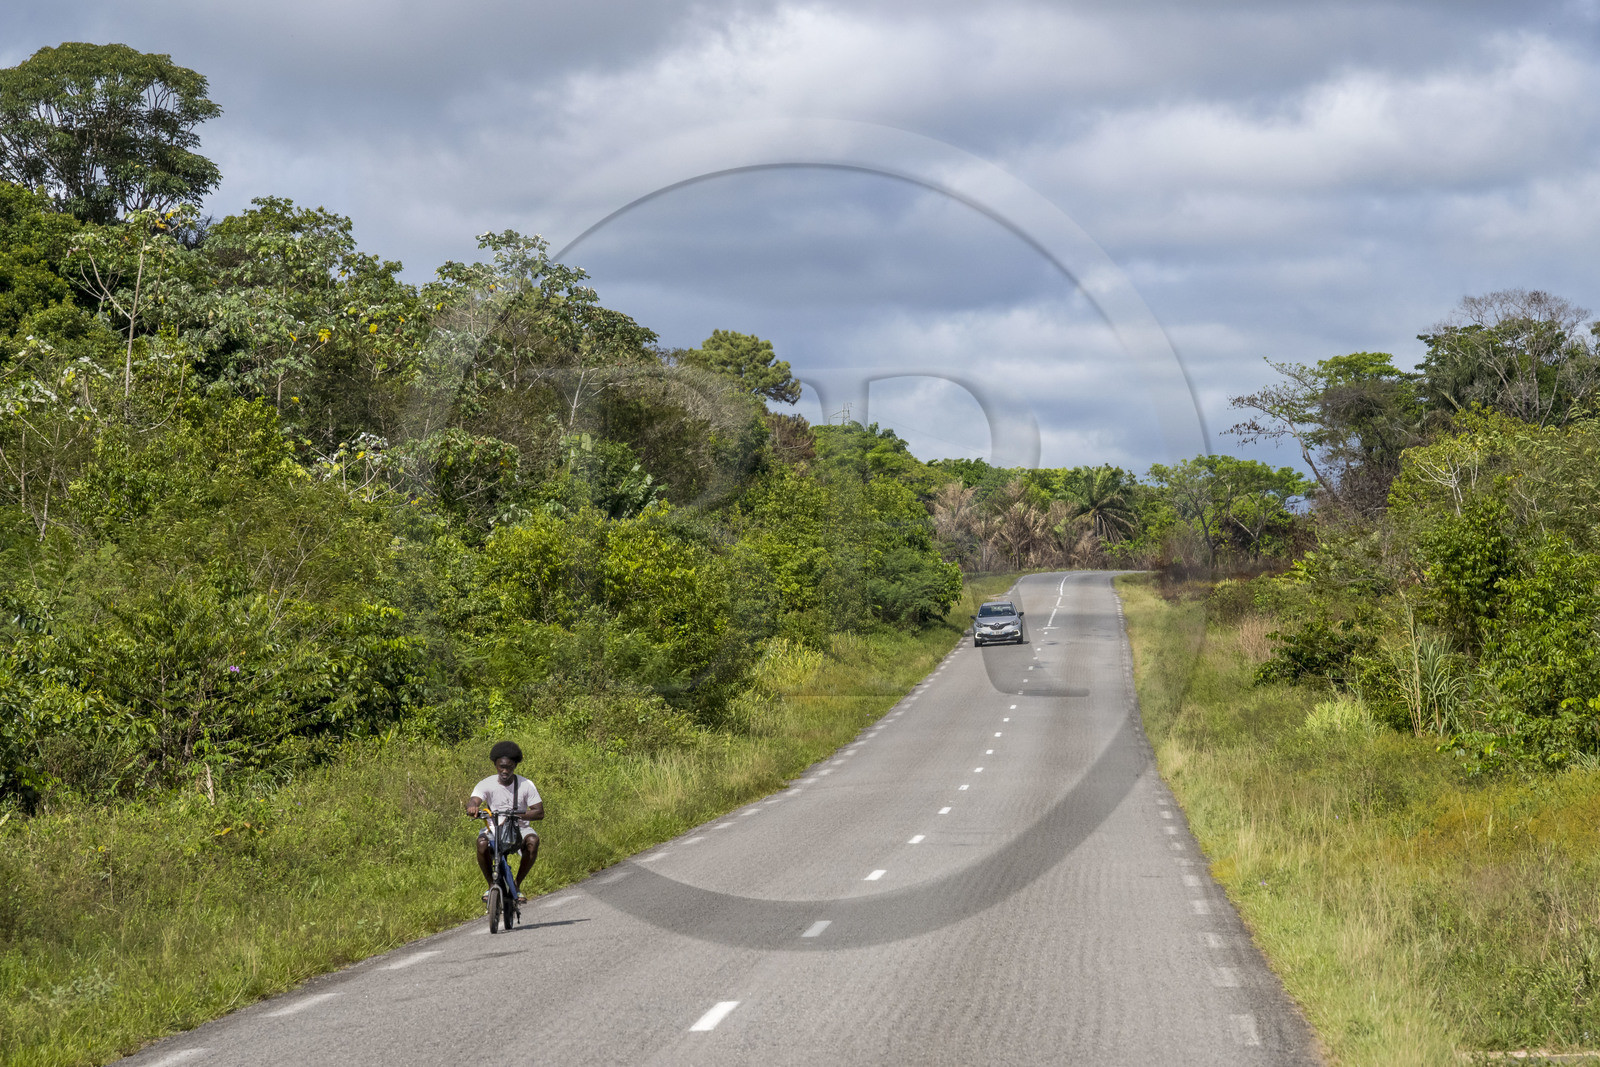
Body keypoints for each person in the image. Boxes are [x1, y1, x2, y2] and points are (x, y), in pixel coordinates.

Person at [467, 740, 544, 902]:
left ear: (515, 766)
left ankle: (516, 885)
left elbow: (539, 812)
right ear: (495, 765)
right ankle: (491, 886)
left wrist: (518, 815)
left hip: (519, 828)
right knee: (481, 844)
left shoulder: (526, 785)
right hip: (494, 828)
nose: (504, 771)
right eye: (501, 766)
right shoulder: (486, 783)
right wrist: (473, 807)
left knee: (533, 841)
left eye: (508, 767)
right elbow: (474, 800)